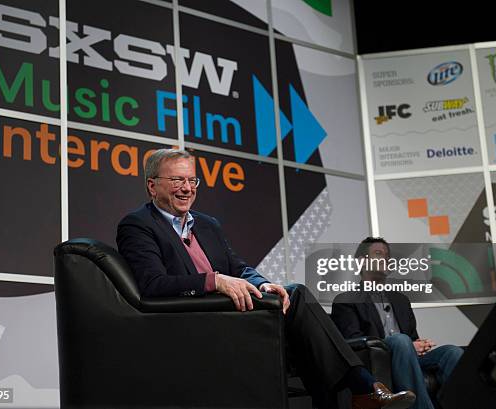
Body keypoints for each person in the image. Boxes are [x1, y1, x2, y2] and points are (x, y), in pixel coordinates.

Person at [116, 149, 415, 409]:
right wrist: (214, 281)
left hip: (235, 313)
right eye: (177, 180)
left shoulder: (207, 224)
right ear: (152, 186)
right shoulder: (138, 225)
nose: (186, 188)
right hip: (196, 322)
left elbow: (240, 267)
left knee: (295, 313)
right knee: (297, 297)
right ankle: (364, 388)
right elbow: (152, 286)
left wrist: (261, 283)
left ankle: (358, 391)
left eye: (192, 180)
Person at [331, 238, 464, 409]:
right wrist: (401, 344)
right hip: (378, 363)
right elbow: (354, 344)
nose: (385, 259)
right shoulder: (346, 300)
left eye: (387, 256)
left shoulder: (400, 299)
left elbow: (412, 337)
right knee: (400, 340)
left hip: (408, 358)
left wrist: (419, 345)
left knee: (452, 352)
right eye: (378, 254)